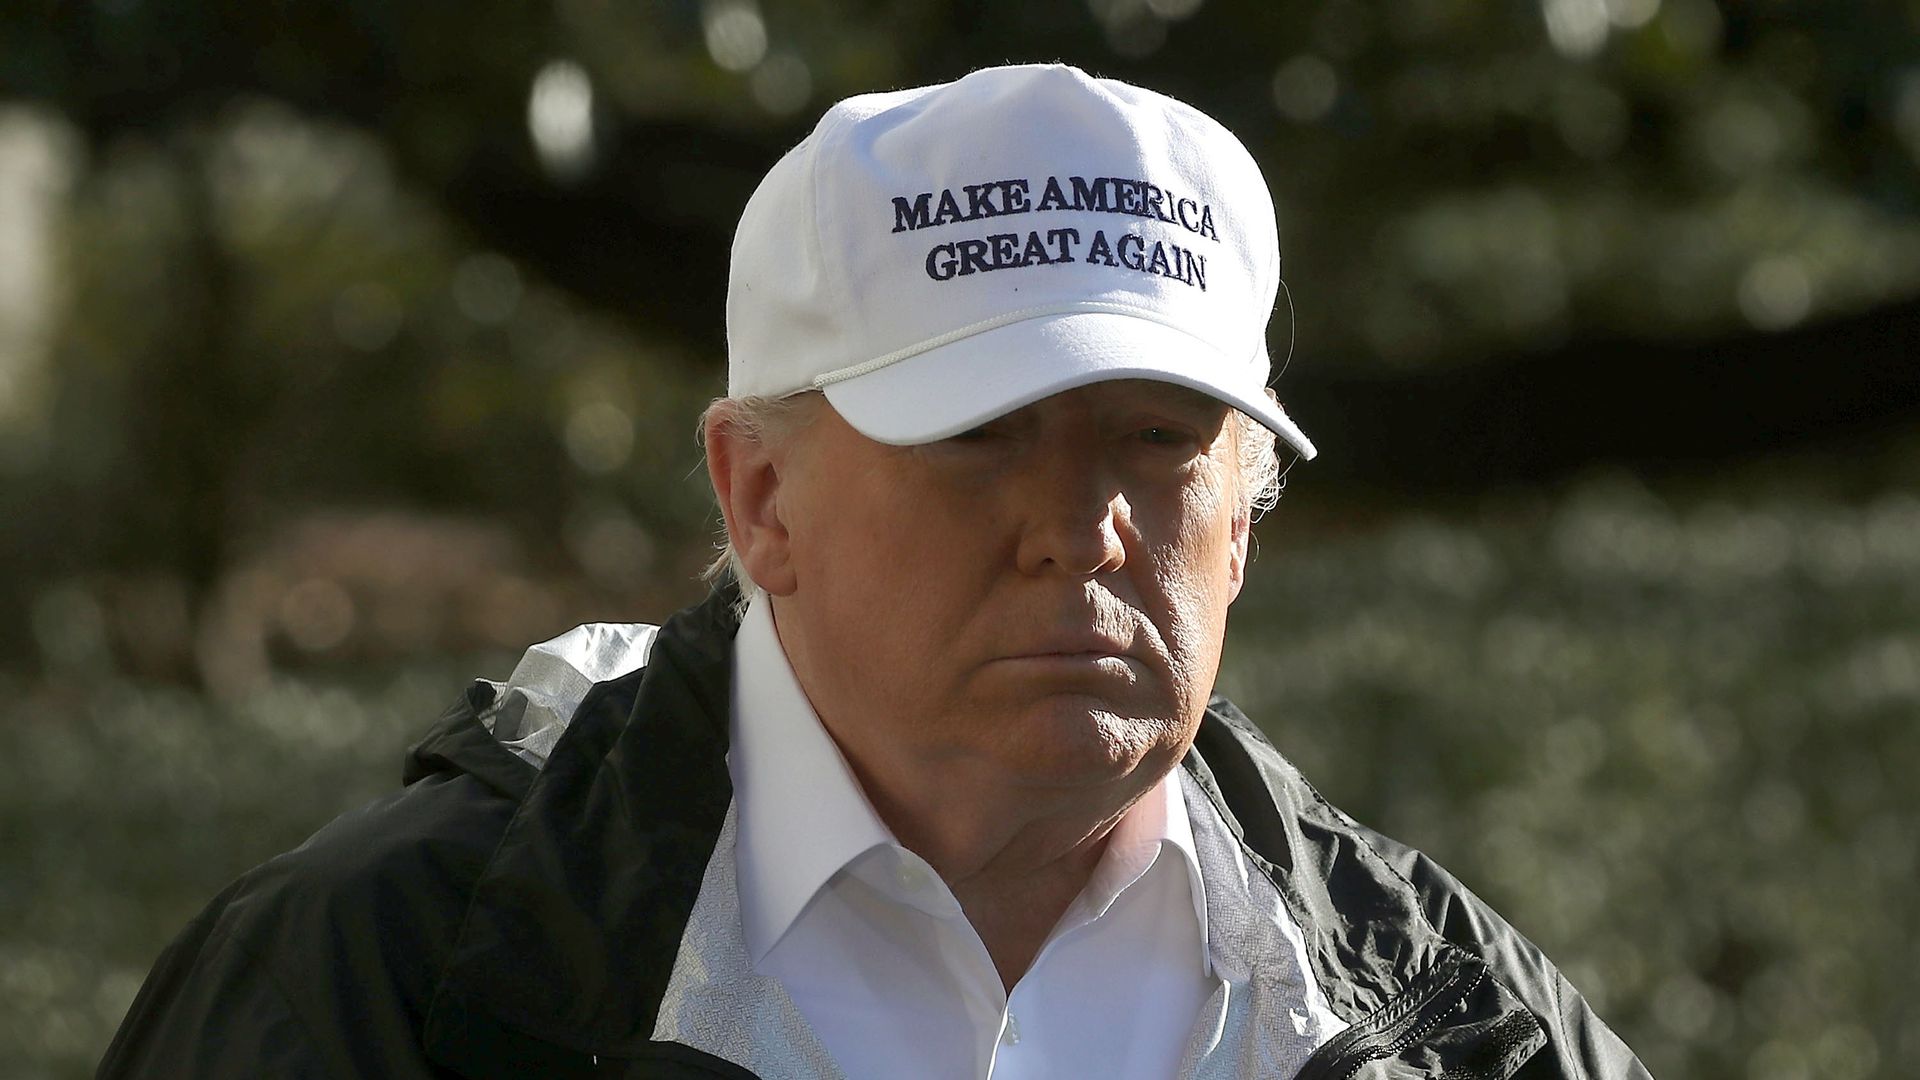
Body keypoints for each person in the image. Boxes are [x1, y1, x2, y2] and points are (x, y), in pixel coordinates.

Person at [100, 64, 1649, 1079]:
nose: (1084, 524)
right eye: (980, 433)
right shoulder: (387, 977)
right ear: (758, 495)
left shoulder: (1452, 1011)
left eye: (1161, 439)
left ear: (1244, 513)